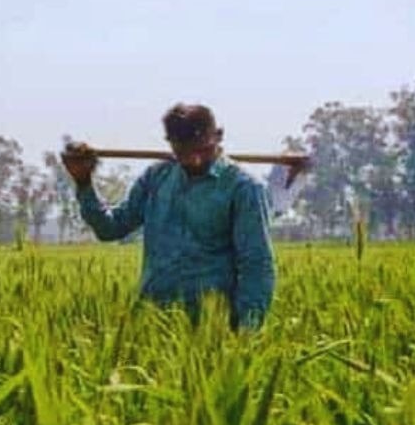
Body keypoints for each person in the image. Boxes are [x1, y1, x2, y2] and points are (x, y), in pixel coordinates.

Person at [60, 103, 275, 329]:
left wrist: (247, 330)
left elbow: (257, 263)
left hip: (210, 326)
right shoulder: (156, 178)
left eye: (202, 150)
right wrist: (83, 182)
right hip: (151, 319)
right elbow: (110, 228)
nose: (195, 160)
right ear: (170, 144)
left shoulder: (243, 188)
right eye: (183, 153)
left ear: (218, 136)